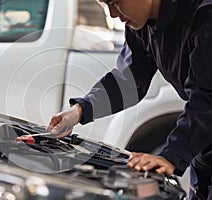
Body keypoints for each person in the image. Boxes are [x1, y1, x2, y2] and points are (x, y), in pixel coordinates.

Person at [46, 0, 212, 199]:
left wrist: (170, 156)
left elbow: (207, 98)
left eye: (116, 3)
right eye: (106, 4)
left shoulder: (205, 17)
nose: (113, 14)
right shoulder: (142, 25)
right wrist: (79, 111)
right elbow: (129, 81)